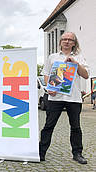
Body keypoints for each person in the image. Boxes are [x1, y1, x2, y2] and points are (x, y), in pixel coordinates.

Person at [39, 32, 89, 164]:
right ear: (60, 42)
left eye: (70, 40)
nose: (66, 41)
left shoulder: (79, 57)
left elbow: (85, 75)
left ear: (74, 43)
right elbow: (46, 74)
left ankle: (77, 153)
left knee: (76, 127)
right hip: (55, 97)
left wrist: (76, 63)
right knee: (49, 126)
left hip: (74, 98)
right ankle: (41, 152)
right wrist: (49, 87)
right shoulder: (53, 57)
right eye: (64, 39)